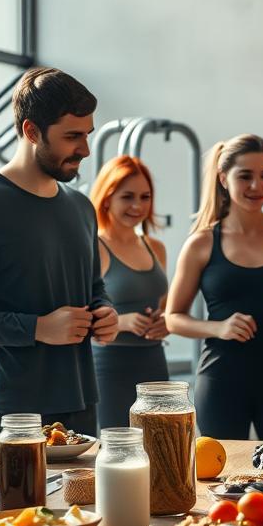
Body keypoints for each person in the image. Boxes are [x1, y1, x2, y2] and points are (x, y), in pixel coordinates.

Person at [0, 67, 117, 435]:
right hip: (13, 413)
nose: (85, 149)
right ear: (31, 131)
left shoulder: (81, 207)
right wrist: (37, 328)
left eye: (87, 135)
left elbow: (93, 286)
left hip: (83, 402)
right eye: (72, 136)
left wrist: (105, 310)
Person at [166, 135, 263, 439]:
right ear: (223, 179)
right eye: (245, 176)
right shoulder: (201, 243)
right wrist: (218, 328)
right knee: (223, 478)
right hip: (222, 381)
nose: (257, 186)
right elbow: (173, 318)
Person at [88, 155, 170, 429]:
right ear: (107, 197)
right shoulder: (93, 247)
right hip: (110, 365)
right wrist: (122, 321)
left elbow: (165, 306)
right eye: (128, 197)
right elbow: (76, 311)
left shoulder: (155, 247)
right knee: (116, 444)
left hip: (154, 363)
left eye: (145, 197)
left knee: (161, 443)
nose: (138, 205)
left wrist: (164, 322)